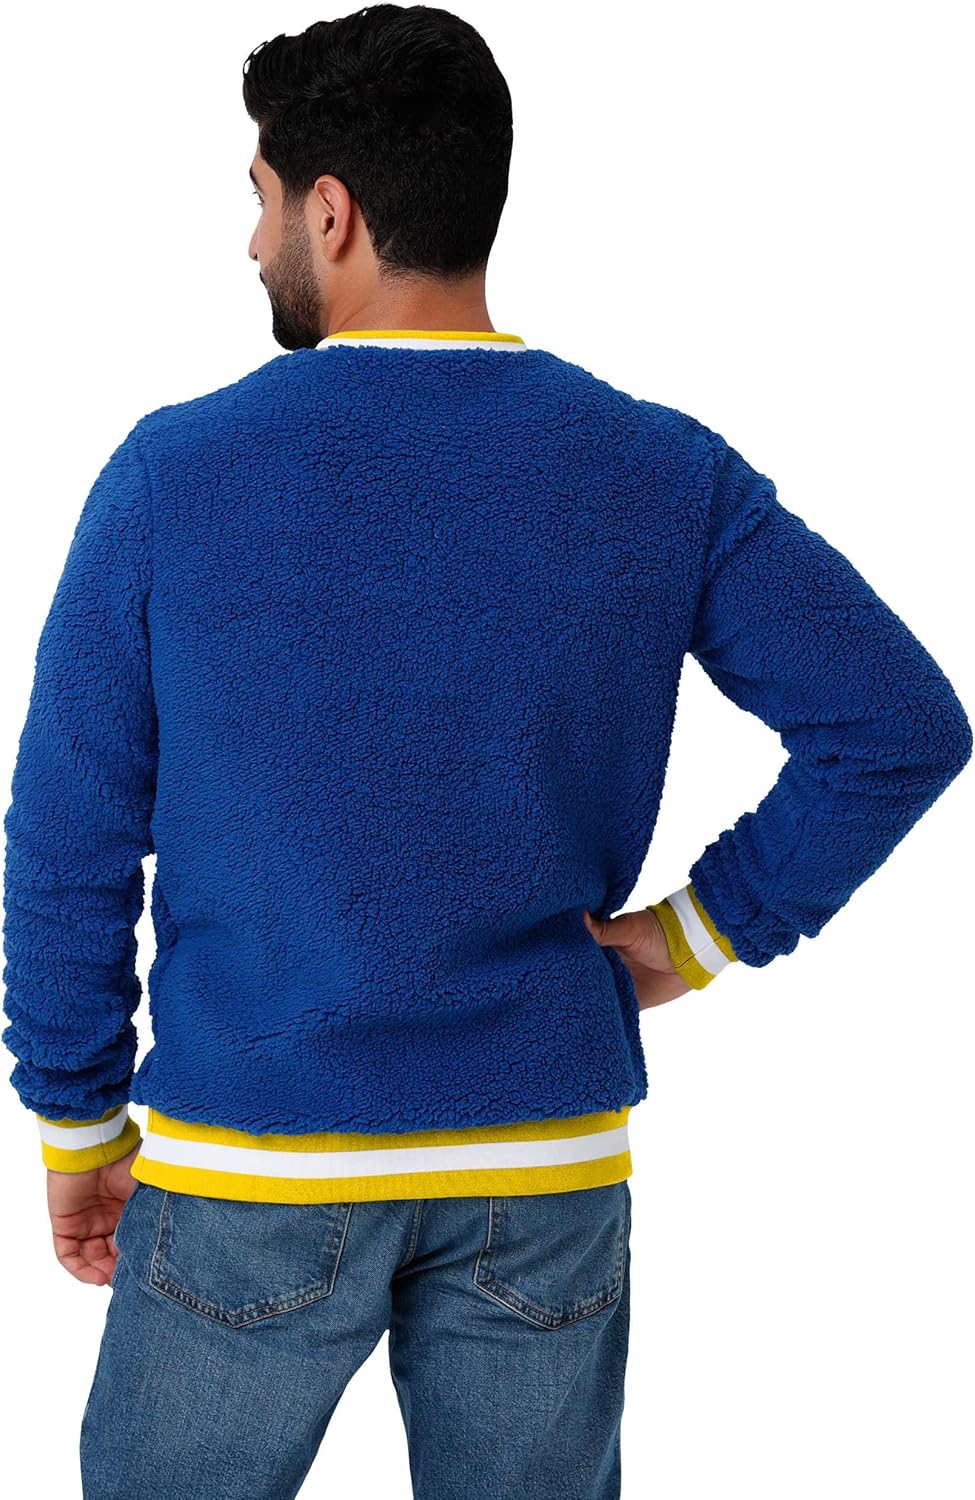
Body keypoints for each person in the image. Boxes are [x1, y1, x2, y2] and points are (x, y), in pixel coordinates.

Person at [2, 6, 970, 1498]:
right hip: (542, 1162)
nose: (251, 239)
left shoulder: (171, 474)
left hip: (256, 1161)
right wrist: (692, 941)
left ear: (332, 212)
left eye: (259, 198)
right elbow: (894, 724)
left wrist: (78, 1123)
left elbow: (68, 839)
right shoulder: (657, 467)